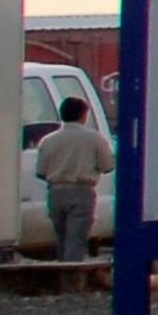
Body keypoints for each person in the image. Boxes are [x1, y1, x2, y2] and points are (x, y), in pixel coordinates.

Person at [36, 96, 116, 264]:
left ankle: (61, 272)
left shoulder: (48, 140)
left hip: (56, 192)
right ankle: (71, 279)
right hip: (82, 191)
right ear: (83, 115)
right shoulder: (95, 139)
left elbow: (41, 171)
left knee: (61, 238)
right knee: (76, 239)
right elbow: (108, 166)